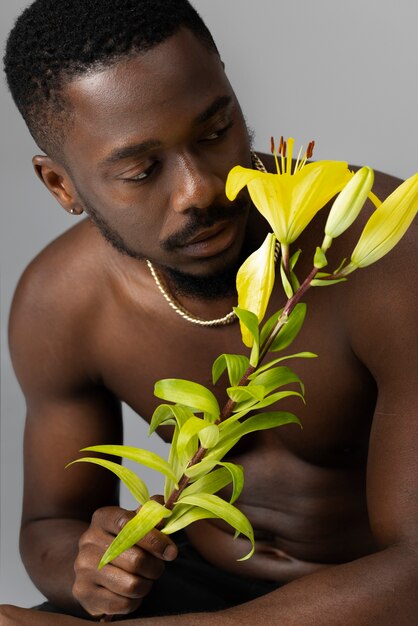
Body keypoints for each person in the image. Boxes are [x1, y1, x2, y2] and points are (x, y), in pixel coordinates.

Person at [1, 0, 417, 623]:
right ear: (62, 186)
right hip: (195, 587)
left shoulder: (383, 252)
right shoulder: (61, 302)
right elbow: (49, 522)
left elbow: (415, 568)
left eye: (216, 132)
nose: (201, 189)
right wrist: (86, 570)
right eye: (142, 171)